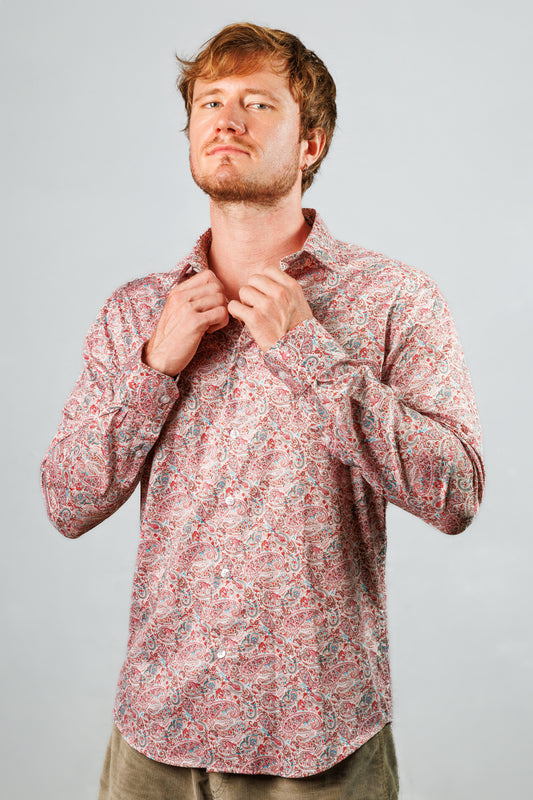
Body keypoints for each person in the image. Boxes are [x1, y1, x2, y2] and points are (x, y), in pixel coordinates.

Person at [41, 22, 484, 800]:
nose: (225, 119)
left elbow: (454, 495)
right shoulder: (138, 311)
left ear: (310, 143)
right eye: (209, 102)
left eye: (256, 102)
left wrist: (311, 355)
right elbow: (66, 502)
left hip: (321, 740)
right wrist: (154, 369)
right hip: (154, 737)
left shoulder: (391, 299)